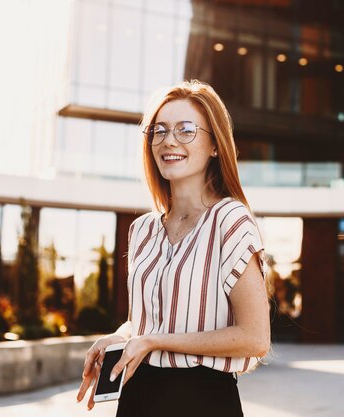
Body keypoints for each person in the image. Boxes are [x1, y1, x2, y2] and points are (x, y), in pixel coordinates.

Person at [76, 80, 270, 416]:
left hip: (203, 401)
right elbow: (149, 320)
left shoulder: (230, 219)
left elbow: (255, 338)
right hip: (138, 398)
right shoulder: (143, 230)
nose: (169, 140)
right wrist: (120, 336)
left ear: (214, 145)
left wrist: (155, 341)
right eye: (159, 130)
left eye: (185, 130)